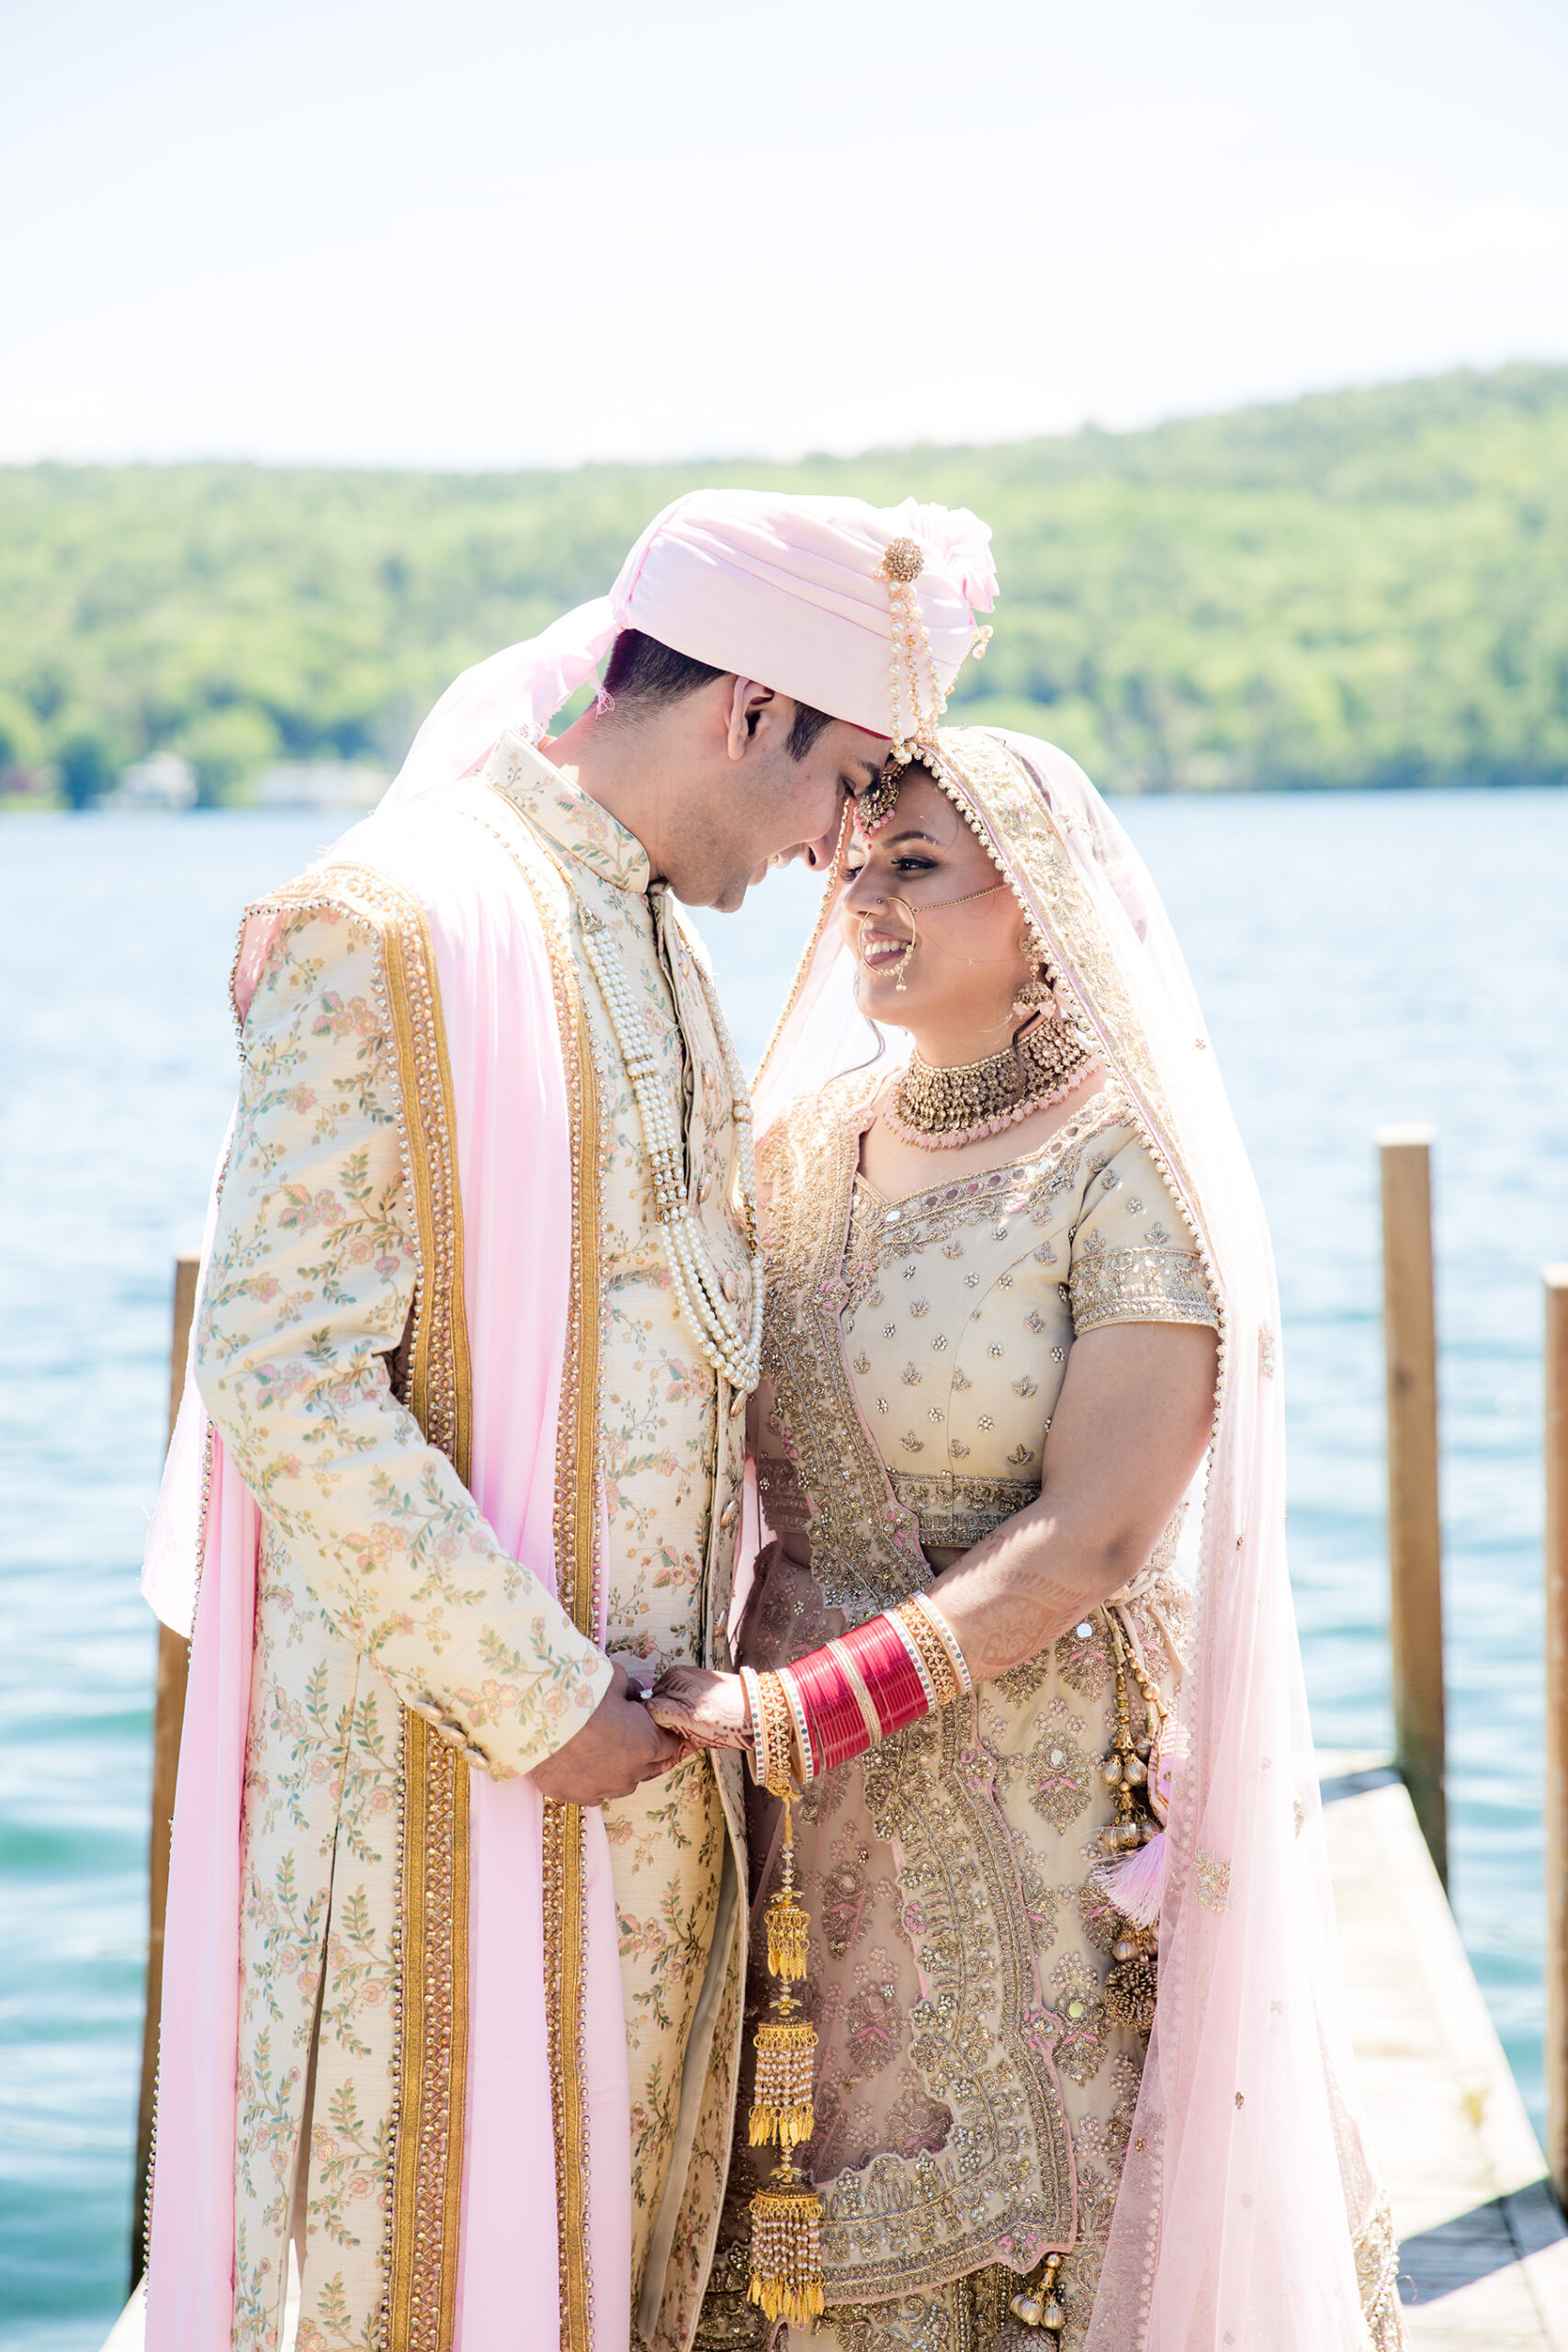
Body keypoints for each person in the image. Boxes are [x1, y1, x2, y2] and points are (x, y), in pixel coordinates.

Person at [138, 494, 998, 2352]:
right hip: (438, 1796)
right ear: (743, 709)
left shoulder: (651, 938)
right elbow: (281, 1364)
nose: (833, 848)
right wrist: (543, 1699)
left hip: (640, 1816)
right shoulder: (392, 919)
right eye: (840, 782)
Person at [650, 732, 1404, 2350]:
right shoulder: (793, 1148)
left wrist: (799, 1712)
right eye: (849, 861)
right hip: (786, 1808)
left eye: (914, 864)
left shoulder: (1123, 1174)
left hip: (1026, 1793)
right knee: (769, 2253)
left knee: (1022, 2261)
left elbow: (1094, 1539)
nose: (862, 896)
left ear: (1042, 906)